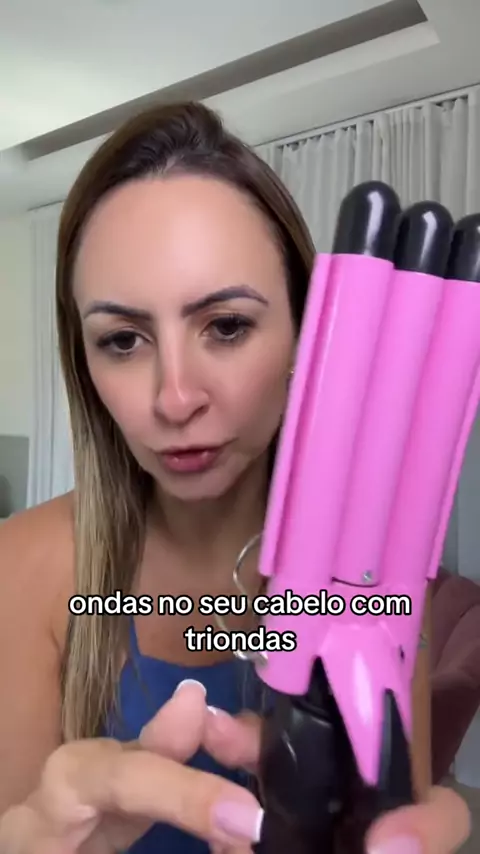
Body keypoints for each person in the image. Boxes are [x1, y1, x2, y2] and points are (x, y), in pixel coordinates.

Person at [0, 101, 471, 854]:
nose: (175, 398)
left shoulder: (370, 587)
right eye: (122, 340)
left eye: (226, 326)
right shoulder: (20, 567)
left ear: (308, 337)